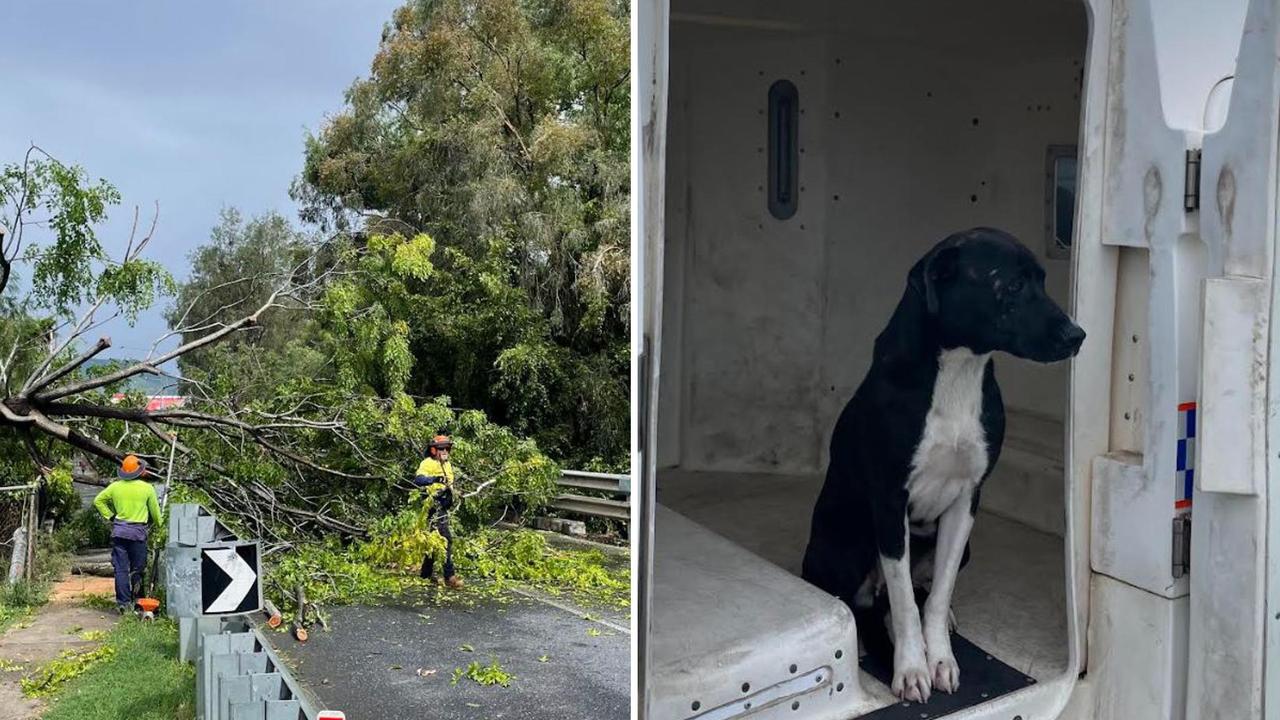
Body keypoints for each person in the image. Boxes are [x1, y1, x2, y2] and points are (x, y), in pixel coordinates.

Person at [92, 454, 161, 613]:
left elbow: (98, 501)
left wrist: (110, 516)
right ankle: (138, 601)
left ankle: (123, 604)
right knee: (137, 569)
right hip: (138, 534)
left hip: (119, 532)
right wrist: (159, 525)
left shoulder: (115, 487)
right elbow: (156, 514)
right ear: (139, 471)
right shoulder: (147, 488)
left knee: (121, 569)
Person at [414, 434, 464, 589]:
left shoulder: (448, 465)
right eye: (442, 448)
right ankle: (450, 576)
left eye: (447, 448)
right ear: (434, 449)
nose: (445, 451)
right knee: (446, 540)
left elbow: (450, 483)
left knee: (434, 541)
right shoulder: (427, 463)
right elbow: (419, 479)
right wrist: (434, 479)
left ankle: (425, 574)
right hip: (433, 507)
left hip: (443, 506)